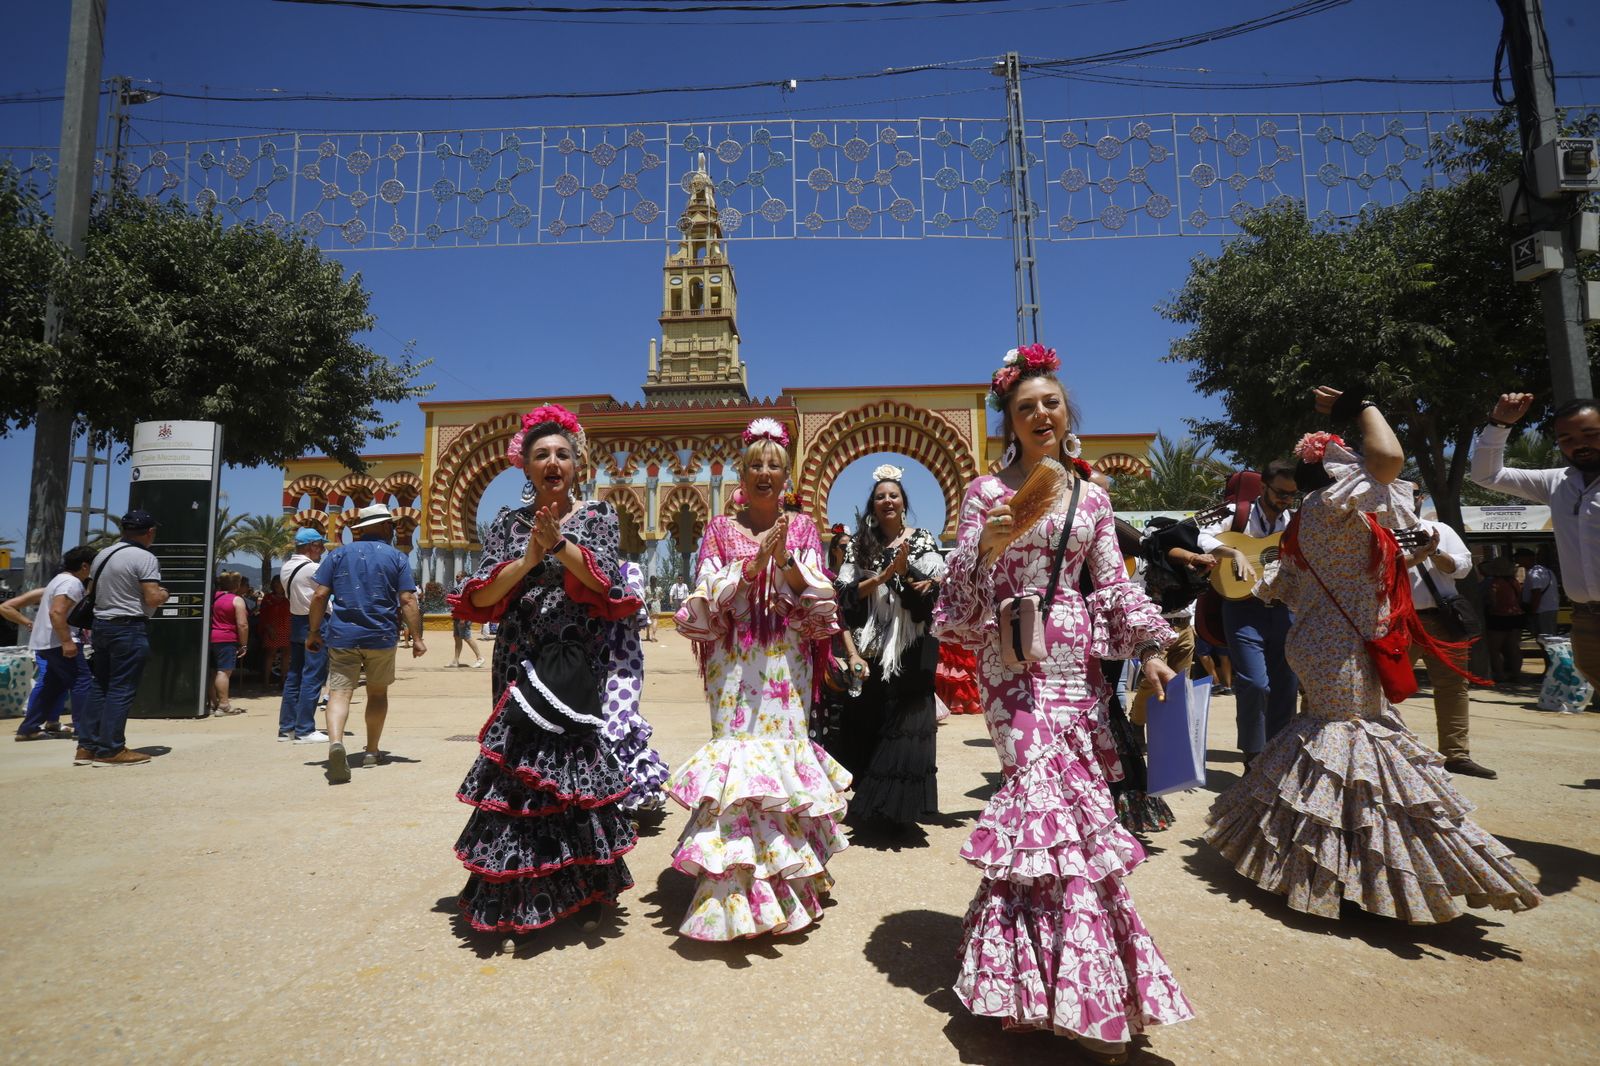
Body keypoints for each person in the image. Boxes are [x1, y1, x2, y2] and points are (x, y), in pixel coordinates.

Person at [933, 344, 1192, 1064]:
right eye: (1026, 407)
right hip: (1011, 664)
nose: (1041, 414)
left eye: (1050, 402)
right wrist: (979, 553)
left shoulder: (1093, 497)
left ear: (1065, 412)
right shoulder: (985, 495)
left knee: (1075, 810)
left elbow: (1111, 585)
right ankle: (1068, 989)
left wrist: (1148, 648)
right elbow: (955, 608)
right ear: (1009, 423)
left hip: (1077, 666)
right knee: (1041, 793)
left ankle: (1070, 982)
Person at [1205, 388, 1539, 923]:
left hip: (1327, 646)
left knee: (1330, 741)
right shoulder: (1330, 508)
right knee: (1351, 746)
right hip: (1340, 649)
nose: (1368, 472)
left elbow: (1280, 587)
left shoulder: (1314, 523)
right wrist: (1359, 403)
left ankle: (1309, 859)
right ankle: (1337, 868)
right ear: (1339, 474)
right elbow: (1387, 458)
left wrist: (1415, 552)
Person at [447, 404, 640, 937]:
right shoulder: (509, 524)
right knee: (520, 768)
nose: (552, 461)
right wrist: (530, 559)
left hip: (575, 659)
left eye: (562, 453)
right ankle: (518, 888)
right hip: (519, 657)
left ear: (577, 464)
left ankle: (580, 887)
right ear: (525, 467)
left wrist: (556, 544)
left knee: (572, 769)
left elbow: (604, 584)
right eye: (541, 454)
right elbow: (483, 592)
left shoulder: (597, 517)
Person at [667, 416, 849, 941]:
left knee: (782, 758)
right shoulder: (720, 531)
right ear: (741, 476)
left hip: (784, 658)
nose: (765, 472)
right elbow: (705, 595)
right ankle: (733, 889)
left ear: (785, 475)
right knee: (739, 758)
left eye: (774, 465)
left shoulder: (804, 527)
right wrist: (749, 569)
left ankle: (789, 884)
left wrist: (784, 558)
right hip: (735, 659)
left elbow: (818, 593)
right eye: (755, 465)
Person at [836, 464, 945, 829]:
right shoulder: (859, 544)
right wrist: (882, 578)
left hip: (911, 647)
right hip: (871, 645)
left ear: (903, 502)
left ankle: (899, 809)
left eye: (893, 495)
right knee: (870, 718)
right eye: (880, 496)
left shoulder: (923, 539)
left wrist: (908, 576)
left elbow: (935, 589)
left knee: (906, 722)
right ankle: (872, 800)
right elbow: (844, 594)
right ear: (873, 503)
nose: (887, 501)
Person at [1471, 394, 1600, 686]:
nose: (1579, 444)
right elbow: (1486, 476)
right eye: (1566, 438)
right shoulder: (1557, 482)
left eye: (1591, 434)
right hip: (1585, 621)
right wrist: (1499, 424)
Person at [306, 503, 425, 783]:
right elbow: (408, 600)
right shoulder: (396, 558)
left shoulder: (338, 555)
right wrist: (417, 638)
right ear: (384, 526)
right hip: (381, 636)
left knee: (338, 693)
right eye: (391, 525)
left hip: (342, 636)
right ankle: (372, 751)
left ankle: (336, 743)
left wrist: (313, 632)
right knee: (377, 694)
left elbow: (320, 596)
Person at [1199, 459, 1300, 767]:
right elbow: (1201, 535)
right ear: (1264, 487)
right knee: (1255, 683)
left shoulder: (1295, 521)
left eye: (1291, 495)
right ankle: (1254, 757)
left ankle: (1279, 757)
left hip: (1284, 610)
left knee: (1287, 685)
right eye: (1280, 492)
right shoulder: (1236, 515)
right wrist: (1232, 552)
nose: (1285, 500)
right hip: (1242, 609)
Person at [75, 510, 170, 766]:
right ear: (149, 532)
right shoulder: (145, 557)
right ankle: (111, 749)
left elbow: (91, 591)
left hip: (101, 625)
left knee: (100, 685)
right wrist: (164, 594)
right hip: (128, 627)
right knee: (121, 688)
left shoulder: (103, 554)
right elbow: (151, 597)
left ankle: (86, 747)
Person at [1406, 518, 1496, 778]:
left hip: (1443, 620)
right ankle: (1383, 752)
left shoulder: (1441, 529)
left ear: (1419, 498)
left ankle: (1456, 755)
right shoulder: (1380, 529)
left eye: (1412, 493)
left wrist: (1434, 551)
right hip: (1400, 621)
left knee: (1453, 688)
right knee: (1385, 687)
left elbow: (1462, 568)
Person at [3, 547, 95, 741]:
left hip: (46, 642)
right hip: (59, 642)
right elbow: (57, 612)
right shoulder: (71, 583)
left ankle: (29, 728)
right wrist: (66, 641)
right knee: (82, 681)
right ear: (85, 566)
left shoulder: (58, 581)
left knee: (51, 685)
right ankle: (84, 729)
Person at [602, 560, 670, 812]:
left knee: (620, 721)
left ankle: (623, 798)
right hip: (586, 658)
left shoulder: (629, 569)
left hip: (622, 660)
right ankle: (596, 798)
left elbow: (632, 604)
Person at [278, 526, 329, 743]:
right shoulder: (312, 568)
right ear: (310, 546)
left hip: (297, 621)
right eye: (319, 546)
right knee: (313, 675)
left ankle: (286, 728)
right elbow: (325, 592)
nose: (322, 550)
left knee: (294, 675)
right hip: (315, 623)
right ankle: (305, 729)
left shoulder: (286, 567)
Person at [208, 571, 250, 716]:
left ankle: (213, 702)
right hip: (227, 638)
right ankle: (224, 705)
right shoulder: (237, 600)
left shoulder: (213, 597)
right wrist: (244, 644)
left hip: (211, 637)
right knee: (224, 671)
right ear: (237, 585)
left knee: (213, 672)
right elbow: (242, 624)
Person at [1482, 556, 1525, 684]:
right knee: (1514, 648)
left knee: (1494, 648)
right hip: (1516, 616)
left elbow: (1493, 601)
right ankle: (1516, 674)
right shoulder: (1514, 582)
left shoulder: (1495, 583)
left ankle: (1500, 675)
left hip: (1499, 617)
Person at [1517, 547, 1560, 649]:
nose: (1517, 561)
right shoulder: (1545, 571)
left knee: (1546, 641)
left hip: (1541, 611)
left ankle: (1551, 662)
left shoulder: (1534, 573)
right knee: (1547, 641)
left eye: (1519, 557)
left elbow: (1536, 594)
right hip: (1547, 609)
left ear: (1528, 558)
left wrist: (1532, 611)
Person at [258, 575, 291, 688]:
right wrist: (268, 628)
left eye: (280, 583)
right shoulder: (268, 598)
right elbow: (263, 615)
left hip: (287, 629)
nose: (278, 585)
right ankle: (266, 682)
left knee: (286, 655)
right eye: (276, 583)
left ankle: (283, 681)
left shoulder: (289, 598)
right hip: (272, 629)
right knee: (270, 655)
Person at [448, 573, 487, 667]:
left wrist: (463, 618)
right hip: (457, 617)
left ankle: (480, 658)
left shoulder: (465, 589)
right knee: (457, 638)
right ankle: (455, 660)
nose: (456, 578)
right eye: (456, 576)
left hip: (463, 617)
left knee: (467, 637)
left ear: (463, 577)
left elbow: (465, 604)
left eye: (458, 576)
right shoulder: (459, 588)